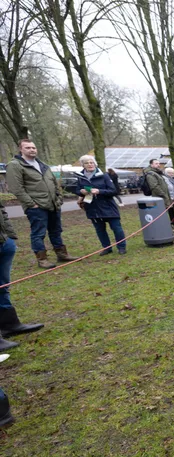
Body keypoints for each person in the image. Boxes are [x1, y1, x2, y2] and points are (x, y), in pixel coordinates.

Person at [6, 138, 78, 269]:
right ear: (21, 149)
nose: (32, 150)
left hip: (53, 204)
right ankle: (42, 259)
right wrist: (31, 204)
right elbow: (16, 188)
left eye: (33, 147)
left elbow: (54, 183)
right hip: (36, 207)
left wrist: (59, 198)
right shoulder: (15, 165)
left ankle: (62, 254)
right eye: (28, 148)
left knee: (56, 231)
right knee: (38, 233)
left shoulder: (42, 164)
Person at [0, 199, 44, 351]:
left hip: (3, 242)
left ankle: (9, 324)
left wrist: (9, 237)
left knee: (3, 286)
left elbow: (2, 211)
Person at [75, 156, 127, 256]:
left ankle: (121, 247)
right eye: (87, 163)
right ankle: (107, 248)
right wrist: (81, 191)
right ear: (83, 165)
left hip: (108, 206)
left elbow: (113, 191)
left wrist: (99, 191)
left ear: (95, 164)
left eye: (91, 162)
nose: (90, 164)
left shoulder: (104, 176)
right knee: (100, 230)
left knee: (116, 228)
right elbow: (77, 190)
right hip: (92, 207)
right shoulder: (80, 177)